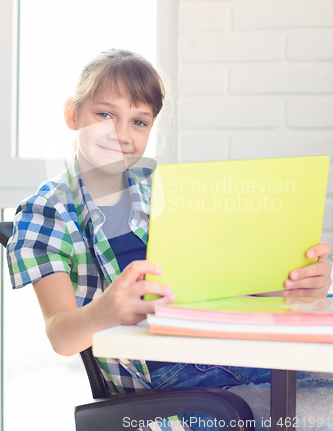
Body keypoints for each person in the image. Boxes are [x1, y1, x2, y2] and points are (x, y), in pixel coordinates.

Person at [7, 49, 333, 431]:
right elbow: (61, 335)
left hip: (229, 355)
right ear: (72, 114)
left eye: (140, 121)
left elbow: (219, 282)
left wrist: (293, 286)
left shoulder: (164, 191)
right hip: (167, 392)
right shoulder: (48, 211)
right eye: (105, 114)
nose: (122, 134)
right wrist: (105, 310)